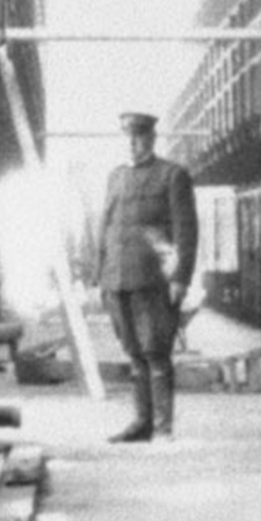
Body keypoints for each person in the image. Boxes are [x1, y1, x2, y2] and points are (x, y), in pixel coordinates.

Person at [95, 111, 198, 443]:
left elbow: (185, 231)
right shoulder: (115, 177)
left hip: (153, 280)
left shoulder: (172, 175)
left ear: (151, 139)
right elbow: (105, 228)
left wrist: (180, 278)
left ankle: (163, 427)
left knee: (156, 353)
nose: (132, 144)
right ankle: (141, 423)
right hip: (118, 278)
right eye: (127, 138)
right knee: (134, 355)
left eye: (138, 137)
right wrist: (101, 274)